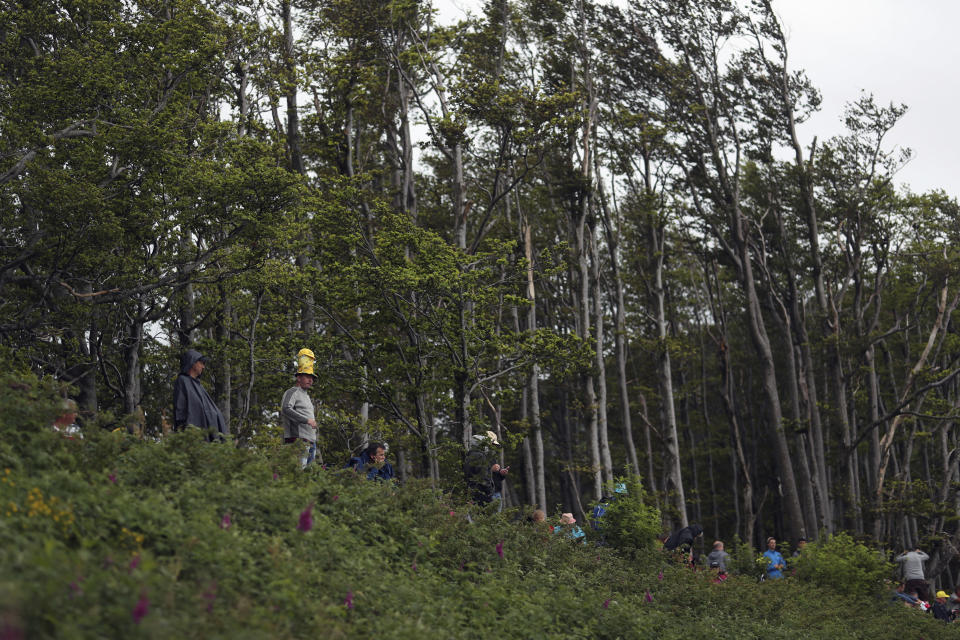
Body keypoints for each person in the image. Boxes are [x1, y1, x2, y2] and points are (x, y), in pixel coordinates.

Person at [173, 349, 228, 441]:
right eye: (201, 363)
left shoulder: (199, 386)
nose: (203, 367)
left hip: (207, 438)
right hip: (192, 438)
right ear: (193, 362)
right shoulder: (182, 381)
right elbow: (180, 410)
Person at [281, 348, 320, 469]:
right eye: (307, 376)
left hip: (309, 441)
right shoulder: (293, 392)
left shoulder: (306, 396)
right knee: (298, 474)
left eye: (312, 378)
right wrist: (307, 420)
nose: (310, 380)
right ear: (298, 378)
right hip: (297, 440)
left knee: (307, 477)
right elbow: (286, 409)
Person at [463, 430, 508, 511]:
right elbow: (482, 475)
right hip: (484, 494)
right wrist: (489, 492)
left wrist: (501, 473)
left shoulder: (488, 456)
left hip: (491, 492)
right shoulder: (480, 456)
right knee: (488, 519)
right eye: (491, 443)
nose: (492, 446)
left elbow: (493, 476)